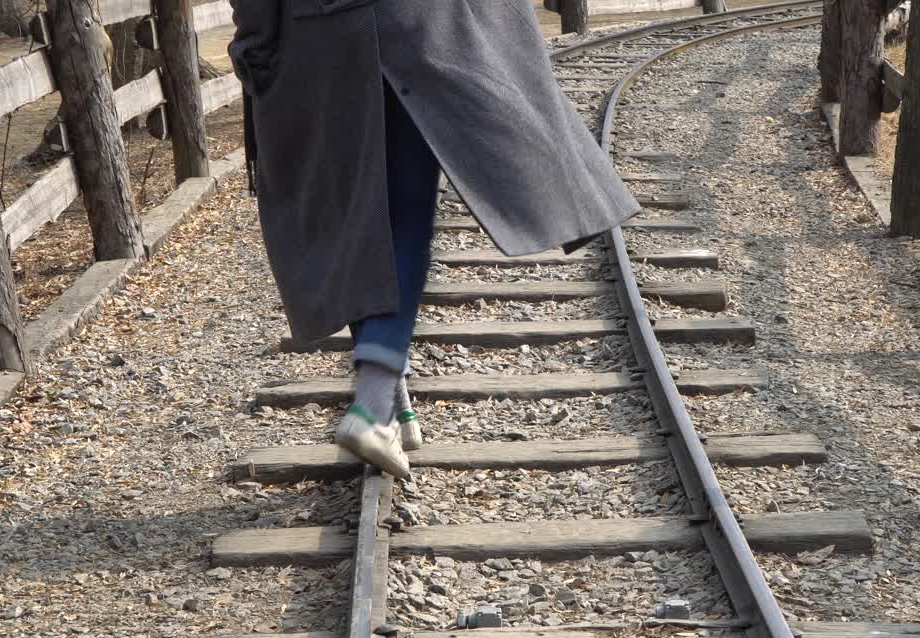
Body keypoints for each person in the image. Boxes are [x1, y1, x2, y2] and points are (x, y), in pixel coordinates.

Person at [230, 0, 640, 479]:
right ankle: (373, 403)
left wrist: (255, 43)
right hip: (417, 22)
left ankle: (394, 398)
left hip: (318, 38)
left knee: (357, 208)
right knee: (402, 208)